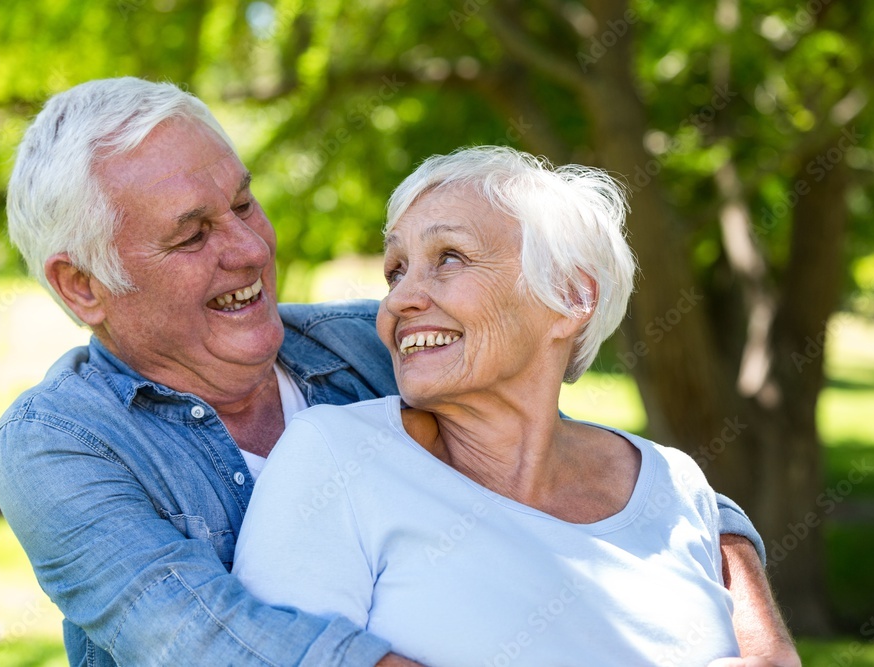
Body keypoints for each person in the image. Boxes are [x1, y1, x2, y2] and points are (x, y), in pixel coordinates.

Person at [0, 77, 792, 666]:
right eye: (192, 235)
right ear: (81, 285)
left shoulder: (374, 344)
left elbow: (623, 476)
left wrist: (754, 627)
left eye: (243, 204)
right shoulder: (57, 444)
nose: (249, 247)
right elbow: (207, 644)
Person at [233, 147, 801, 666]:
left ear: (571, 297)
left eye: (449, 257)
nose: (399, 299)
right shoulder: (335, 455)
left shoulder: (676, 484)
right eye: (396, 270)